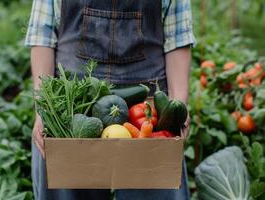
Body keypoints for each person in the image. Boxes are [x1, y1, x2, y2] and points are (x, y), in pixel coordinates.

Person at [25, 0, 196, 199]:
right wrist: (43, 110)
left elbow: (177, 41)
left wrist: (178, 107)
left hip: (146, 114)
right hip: (72, 109)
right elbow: (43, 37)